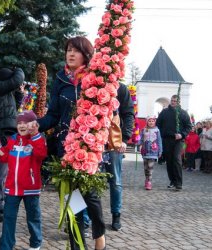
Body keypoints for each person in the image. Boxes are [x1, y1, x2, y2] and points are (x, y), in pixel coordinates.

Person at [38, 36, 106, 250]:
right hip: (65, 148)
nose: (70, 53)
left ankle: (99, 233)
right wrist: (34, 125)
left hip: (89, 146)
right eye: (68, 49)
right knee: (72, 199)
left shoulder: (97, 78)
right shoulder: (61, 79)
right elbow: (54, 115)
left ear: (86, 54)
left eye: (76, 50)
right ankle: (77, 246)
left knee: (91, 196)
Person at [0, 110, 47, 250]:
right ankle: (5, 246)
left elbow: (41, 154)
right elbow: (3, 157)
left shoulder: (37, 139)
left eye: (26, 122)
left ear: (33, 124)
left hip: (31, 188)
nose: (22, 125)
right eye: (19, 123)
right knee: (8, 219)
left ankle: (36, 244)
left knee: (33, 217)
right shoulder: (12, 140)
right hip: (12, 188)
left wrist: (35, 136)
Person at [0, 66, 25, 222]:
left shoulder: (3, 91)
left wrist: (19, 94)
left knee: (2, 173)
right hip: (1, 135)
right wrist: (17, 69)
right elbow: (18, 77)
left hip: (7, 134)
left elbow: (13, 108)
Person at [103, 84, 134, 231]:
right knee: (89, 182)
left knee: (115, 181)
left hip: (114, 142)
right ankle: (86, 218)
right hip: (93, 142)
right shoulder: (92, 84)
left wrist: (124, 139)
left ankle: (116, 215)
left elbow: (128, 114)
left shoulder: (121, 88)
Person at [156, 95, 192, 191]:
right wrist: (164, 133)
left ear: (178, 102)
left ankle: (178, 183)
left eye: (175, 101)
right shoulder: (164, 112)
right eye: (172, 100)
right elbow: (158, 124)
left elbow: (189, 126)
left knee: (176, 159)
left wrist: (182, 134)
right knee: (169, 161)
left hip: (179, 140)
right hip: (167, 139)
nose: (173, 102)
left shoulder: (183, 113)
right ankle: (172, 180)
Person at [139, 115, 162, 190]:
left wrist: (160, 151)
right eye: (149, 121)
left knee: (150, 167)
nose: (151, 122)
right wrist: (139, 145)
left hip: (153, 151)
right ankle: (146, 179)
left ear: (155, 122)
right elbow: (141, 139)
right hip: (145, 151)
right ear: (147, 122)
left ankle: (149, 182)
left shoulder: (157, 130)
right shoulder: (144, 130)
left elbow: (159, 141)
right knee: (146, 168)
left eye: (152, 121)